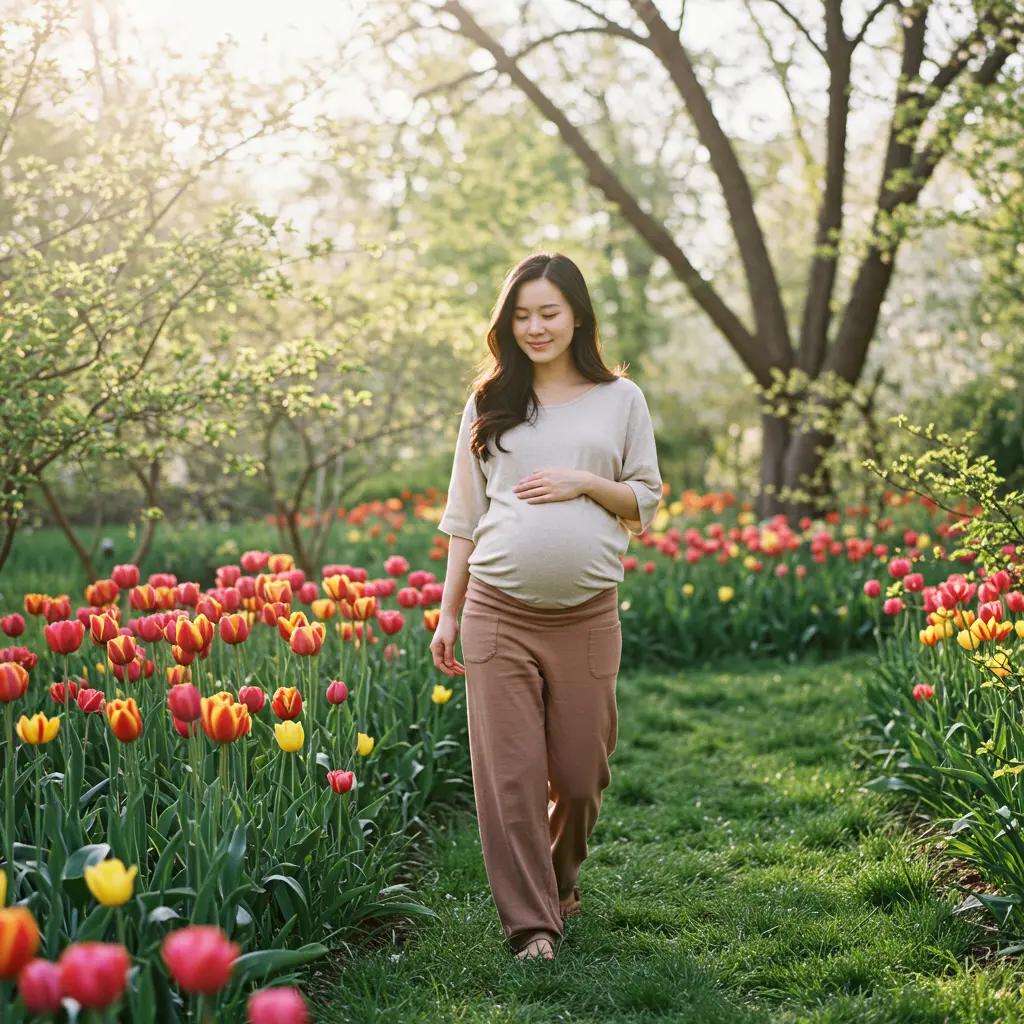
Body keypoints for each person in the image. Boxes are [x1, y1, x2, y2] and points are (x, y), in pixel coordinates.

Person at [431, 252, 663, 962]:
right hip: (497, 610)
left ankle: (561, 878)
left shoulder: (620, 399)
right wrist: (448, 612)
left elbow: (646, 499)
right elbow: (464, 518)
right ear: (508, 322)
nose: (535, 327)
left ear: (577, 316)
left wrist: (582, 482)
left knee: (583, 773)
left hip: (587, 615)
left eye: (549, 313)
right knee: (511, 777)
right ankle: (532, 924)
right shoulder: (490, 402)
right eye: (522, 315)